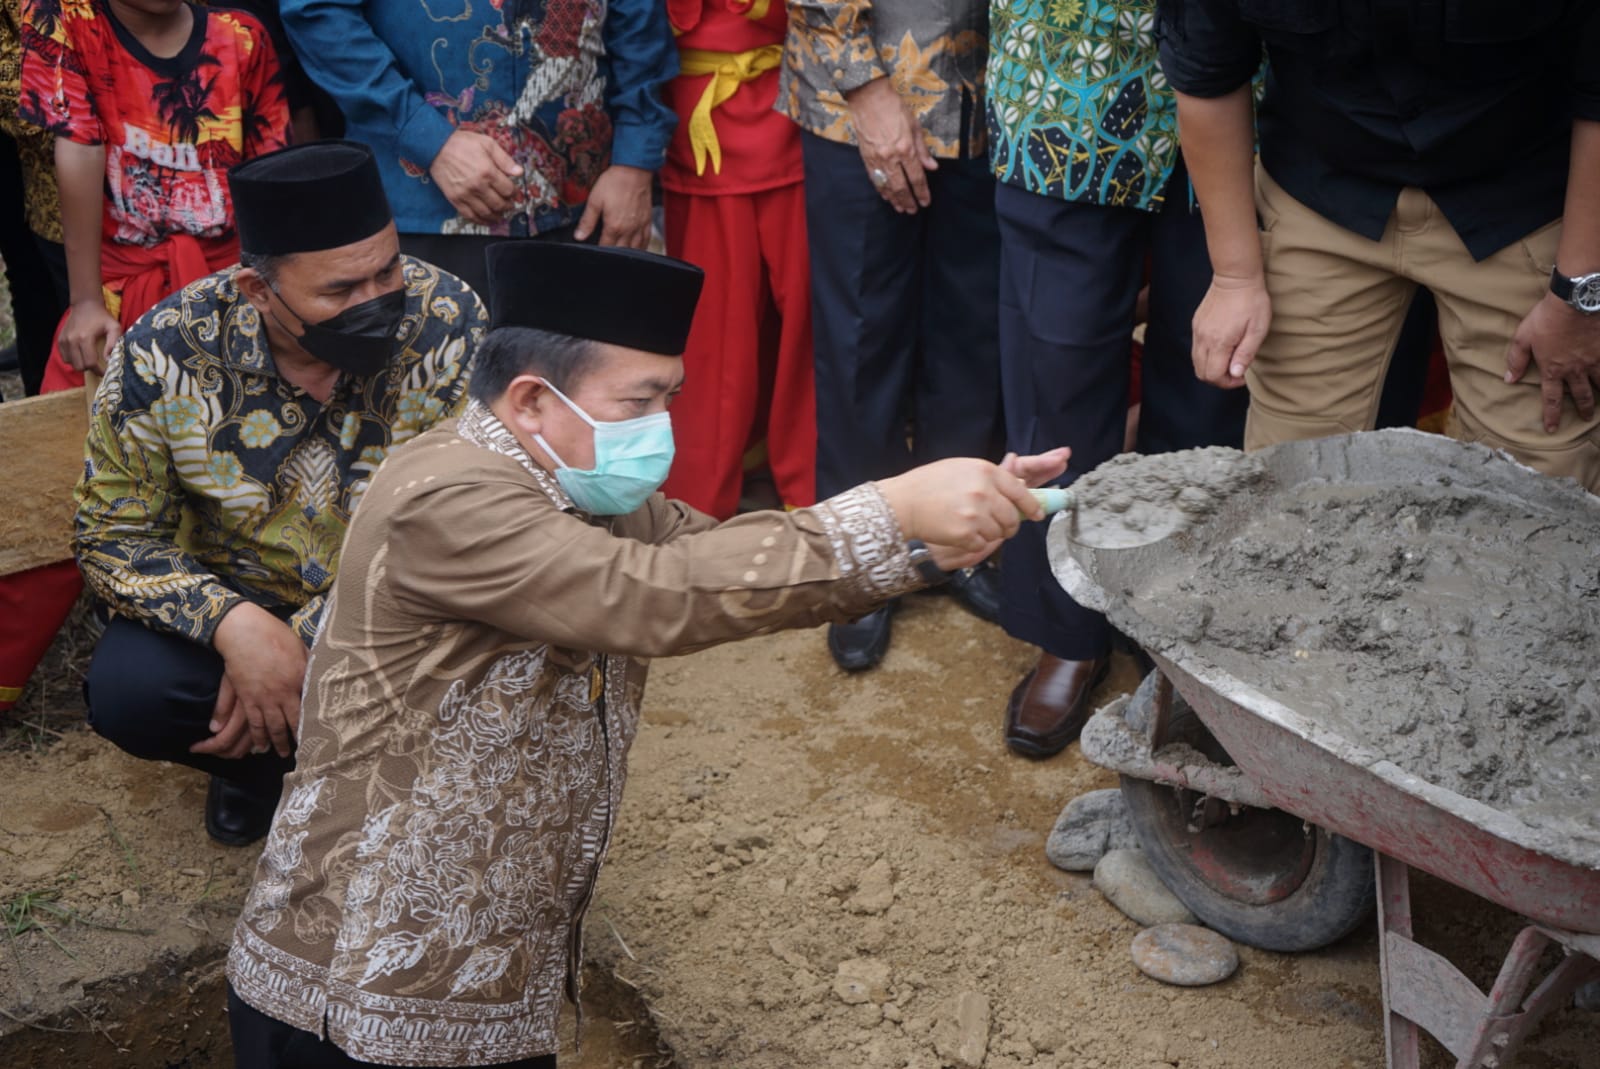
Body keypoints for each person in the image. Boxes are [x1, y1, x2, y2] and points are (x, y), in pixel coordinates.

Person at [225, 238, 1069, 1069]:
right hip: (360, 984)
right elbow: (653, 594)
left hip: (482, 957)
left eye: (672, 395)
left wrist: (934, 539)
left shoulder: (576, 479)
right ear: (530, 400)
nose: (662, 426)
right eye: (640, 401)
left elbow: (724, 558)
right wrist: (894, 508)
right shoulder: (448, 497)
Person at [73, 141, 487, 847]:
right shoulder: (167, 351)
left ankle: (373, 773)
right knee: (132, 690)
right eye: (340, 291)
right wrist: (233, 625)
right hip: (241, 595)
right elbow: (111, 536)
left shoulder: (446, 319)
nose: (379, 302)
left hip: (400, 600)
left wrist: (299, 642)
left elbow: (466, 518)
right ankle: (264, 772)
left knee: (494, 638)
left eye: (387, 270)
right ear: (257, 291)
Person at [1160, 0, 1600, 492]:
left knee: (1542, 483)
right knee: (1290, 478)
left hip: (1526, 201)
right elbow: (1207, 73)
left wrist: (1579, 297)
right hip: (1319, 191)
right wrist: (1235, 276)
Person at [1, 0, 290, 715]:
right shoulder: (73, 27)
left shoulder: (241, 36)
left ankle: (241, 667)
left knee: (242, 470)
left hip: (229, 277)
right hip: (122, 280)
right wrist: (85, 300)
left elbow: (269, 169)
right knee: (64, 470)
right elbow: (77, 148)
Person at [985, 0, 1249, 758]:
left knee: (1210, 390)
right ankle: (1067, 631)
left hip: (1239, 86)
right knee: (1056, 378)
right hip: (1065, 76)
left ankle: (1174, 634)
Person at [781, 0, 1005, 673]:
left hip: (993, 99)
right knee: (860, 338)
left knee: (974, 336)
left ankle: (955, 547)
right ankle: (860, 560)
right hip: (862, 97)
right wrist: (868, 91)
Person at [279, 0, 677, 299]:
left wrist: (635, 161)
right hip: (426, 209)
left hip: (591, 204)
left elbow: (639, 19)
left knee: (585, 391)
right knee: (445, 399)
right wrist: (429, 140)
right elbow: (318, 14)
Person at [656, 0, 815, 519]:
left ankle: (810, 484)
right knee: (712, 333)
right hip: (699, 133)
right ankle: (698, 499)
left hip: (798, 115)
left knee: (810, 323)